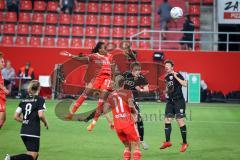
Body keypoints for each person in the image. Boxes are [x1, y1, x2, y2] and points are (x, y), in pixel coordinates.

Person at [60, 42, 114, 131]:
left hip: (107, 79)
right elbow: (81, 58)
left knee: (101, 102)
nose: (106, 49)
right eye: (104, 48)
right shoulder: (94, 56)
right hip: (97, 78)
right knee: (85, 94)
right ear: (100, 49)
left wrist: (113, 79)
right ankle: (71, 113)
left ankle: (93, 124)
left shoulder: (110, 56)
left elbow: (112, 68)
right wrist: (70, 55)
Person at [4, 80, 49, 160]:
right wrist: (46, 122)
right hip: (33, 130)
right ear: (39, 88)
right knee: (33, 155)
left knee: (33, 154)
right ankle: (11, 158)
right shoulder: (40, 99)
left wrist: (25, 121)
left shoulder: (23, 100)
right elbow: (41, 115)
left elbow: (15, 116)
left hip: (24, 131)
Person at [103, 75, 141, 160]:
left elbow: (105, 111)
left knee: (127, 147)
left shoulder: (111, 96)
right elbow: (131, 106)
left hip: (118, 126)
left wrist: (110, 122)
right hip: (128, 124)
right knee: (137, 146)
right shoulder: (127, 92)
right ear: (124, 83)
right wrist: (136, 112)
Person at [160, 60, 188, 152]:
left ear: (172, 67)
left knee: (180, 121)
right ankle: (167, 142)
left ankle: (184, 143)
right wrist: (165, 92)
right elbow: (169, 88)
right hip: (170, 102)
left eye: (168, 65)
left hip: (179, 101)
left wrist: (175, 76)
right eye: (165, 65)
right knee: (167, 120)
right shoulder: (167, 77)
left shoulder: (178, 74)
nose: (166, 66)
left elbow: (185, 84)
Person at [122, 62, 149, 150]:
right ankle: (129, 141)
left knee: (138, 119)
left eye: (139, 70)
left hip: (133, 101)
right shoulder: (126, 75)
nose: (138, 72)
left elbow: (146, 90)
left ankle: (141, 140)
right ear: (131, 70)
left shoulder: (142, 78)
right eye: (135, 70)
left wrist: (139, 88)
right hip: (123, 100)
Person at [0, 53, 9, 129]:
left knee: (3, 120)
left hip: (2, 98)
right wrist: (4, 89)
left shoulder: (1, 72)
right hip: (0, 98)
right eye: (2, 62)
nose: (4, 63)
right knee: (1, 120)